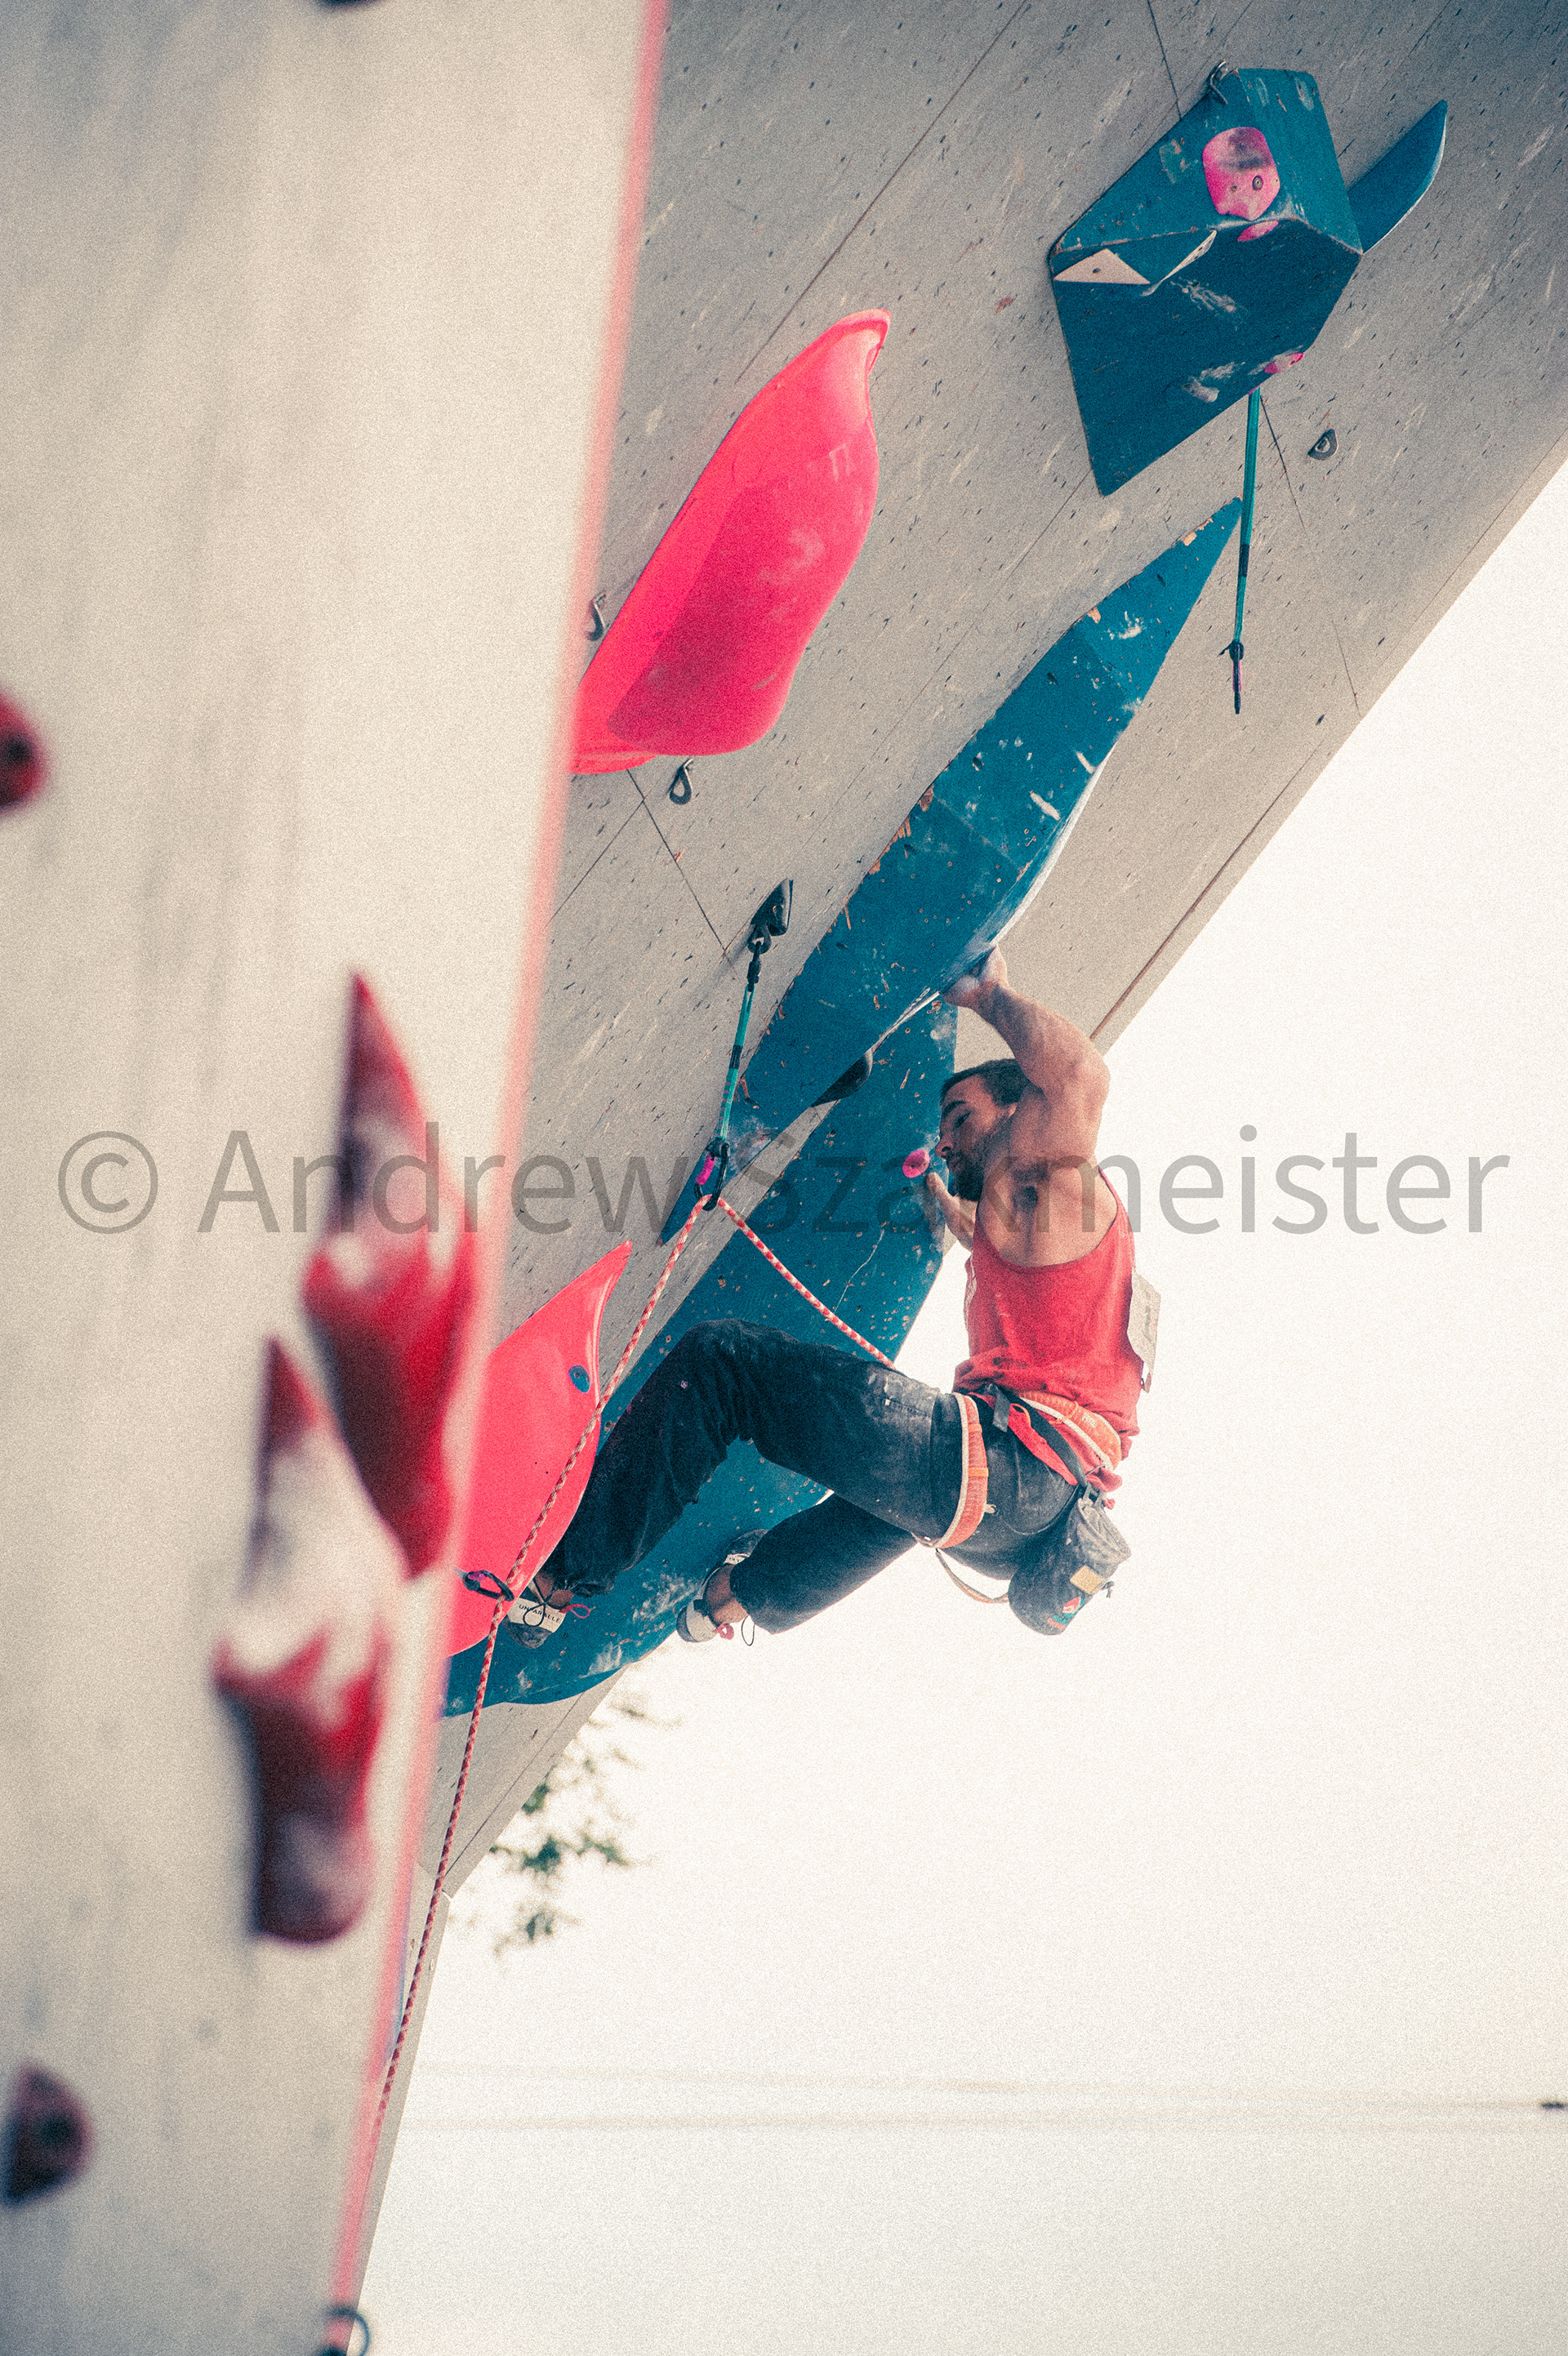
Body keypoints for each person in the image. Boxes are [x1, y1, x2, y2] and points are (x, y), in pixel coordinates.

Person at [521, 947, 1145, 1643]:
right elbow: (982, 1235)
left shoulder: (1048, 1171)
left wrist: (990, 995)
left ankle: (558, 1579)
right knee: (897, 1498)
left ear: (1017, 1109)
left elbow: (1082, 1075)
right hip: (1020, 1526)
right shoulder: (1046, 1230)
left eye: (959, 1118)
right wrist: (940, 1198)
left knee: (725, 1364)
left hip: (1001, 1467)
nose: (944, 1141)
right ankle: (730, 1598)